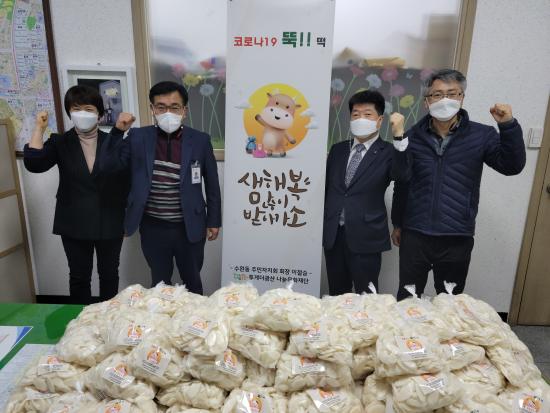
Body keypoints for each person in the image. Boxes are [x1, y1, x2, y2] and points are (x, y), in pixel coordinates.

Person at [390, 69, 526, 300]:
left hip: (456, 235)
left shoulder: (481, 135)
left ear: (461, 97)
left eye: (452, 93)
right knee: (407, 297)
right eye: (437, 94)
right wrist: (397, 223)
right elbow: (402, 182)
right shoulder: (412, 136)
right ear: (426, 101)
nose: (444, 100)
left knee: (450, 300)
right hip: (416, 233)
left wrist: (508, 126)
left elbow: (512, 166)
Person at [100, 81, 221, 294]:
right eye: (161, 107)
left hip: (190, 225)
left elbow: (212, 183)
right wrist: (117, 131)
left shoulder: (200, 140)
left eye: (174, 107)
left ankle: (195, 314)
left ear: (184, 111)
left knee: (192, 280)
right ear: (152, 109)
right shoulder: (138, 137)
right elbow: (107, 166)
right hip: (153, 226)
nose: (168, 113)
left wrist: (214, 220)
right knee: (159, 282)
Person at [23, 85, 130, 304]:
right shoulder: (60, 141)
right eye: (76, 108)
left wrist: (129, 217)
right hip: (73, 220)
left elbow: (126, 179)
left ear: (99, 114)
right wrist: (39, 129)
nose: (82, 113)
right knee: (79, 276)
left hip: (110, 218)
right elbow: (34, 163)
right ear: (69, 113)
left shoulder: (113, 140)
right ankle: (80, 319)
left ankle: (108, 317)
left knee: (109, 274)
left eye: (88, 109)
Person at [323, 90, 404, 295]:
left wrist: (399, 137)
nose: (361, 119)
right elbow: (328, 189)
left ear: (379, 120)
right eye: (356, 114)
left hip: (366, 235)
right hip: (334, 235)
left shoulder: (388, 151)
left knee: (366, 296)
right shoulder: (338, 150)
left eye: (367, 114)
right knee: (337, 294)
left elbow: (403, 175)